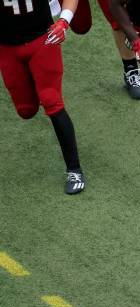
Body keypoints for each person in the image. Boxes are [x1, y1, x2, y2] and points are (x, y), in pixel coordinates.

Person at [1, 0, 87, 194]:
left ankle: (74, 169)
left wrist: (64, 21)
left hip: (43, 38)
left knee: (51, 100)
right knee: (26, 110)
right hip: (7, 48)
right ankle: (31, 76)